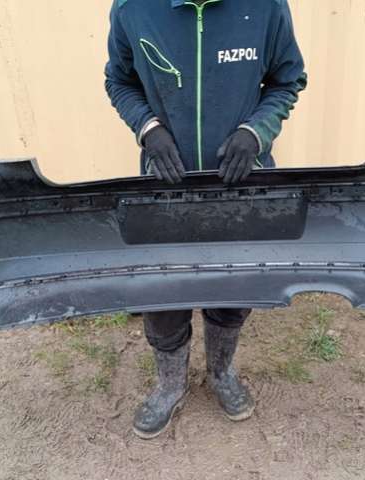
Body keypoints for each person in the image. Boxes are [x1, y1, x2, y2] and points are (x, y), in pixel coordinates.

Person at [105, 0, 307, 439]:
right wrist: (148, 128)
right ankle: (170, 385)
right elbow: (119, 81)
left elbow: (287, 80)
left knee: (232, 293)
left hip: (239, 185)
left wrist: (256, 132)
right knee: (162, 297)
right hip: (164, 188)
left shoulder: (265, 7)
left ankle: (220, 373)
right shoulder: (132, 9)